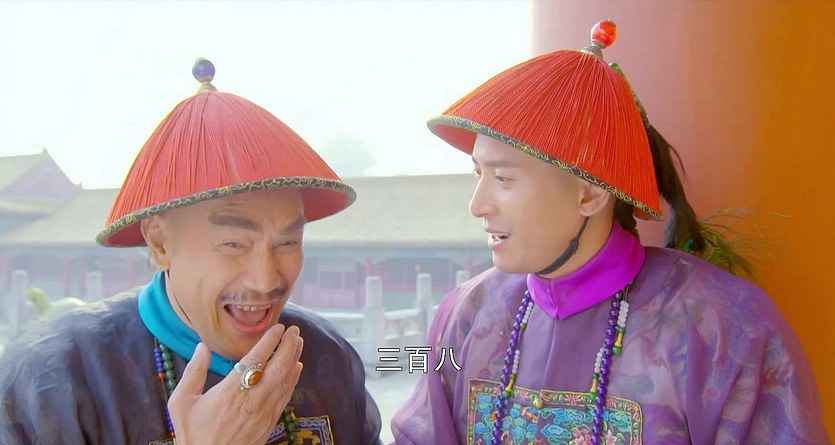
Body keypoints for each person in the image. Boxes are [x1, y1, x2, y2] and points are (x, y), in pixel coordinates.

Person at [390, 21, 830, 445]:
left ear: (590, 193)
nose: (478, 205)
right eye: (478, 174)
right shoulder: (468, 314)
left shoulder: (721, 325)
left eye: (504, 179)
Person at [0, 59, 382, 445]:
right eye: (233, 244)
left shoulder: (326, 355)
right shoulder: (55, 379)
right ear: (160, 243)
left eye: (287, 242)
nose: (266, 280)